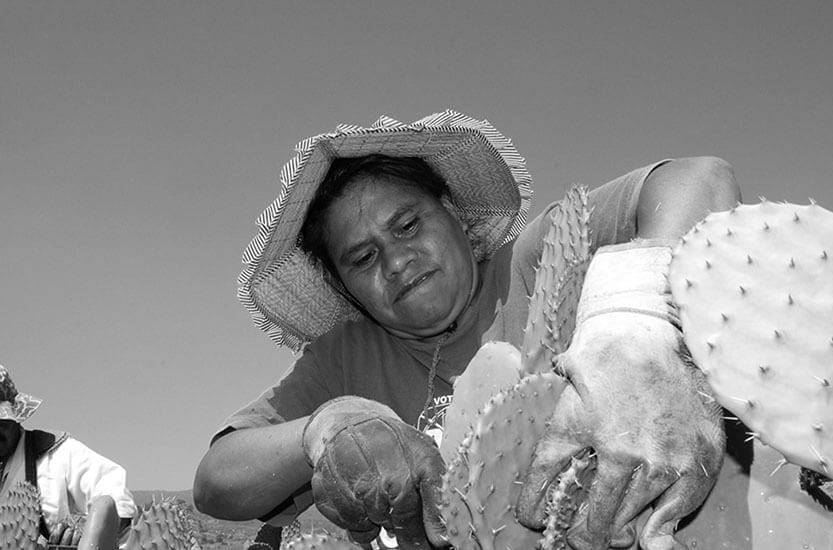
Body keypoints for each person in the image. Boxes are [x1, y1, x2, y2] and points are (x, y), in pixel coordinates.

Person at [193, 110, 742, 549]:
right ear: (344, 288)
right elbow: (217, 482)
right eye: (362, 258)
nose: (396, 261)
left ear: (454, 212)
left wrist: (637, 323)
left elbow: (698, 179)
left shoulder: (537, 263)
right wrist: (324, 429)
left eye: (408, 225)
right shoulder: (345, 358)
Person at [0, 364, 136, 549]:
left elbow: (115, 497)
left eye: (2, 422)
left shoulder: (56, 453)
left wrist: (86, 529)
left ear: (16, 416)